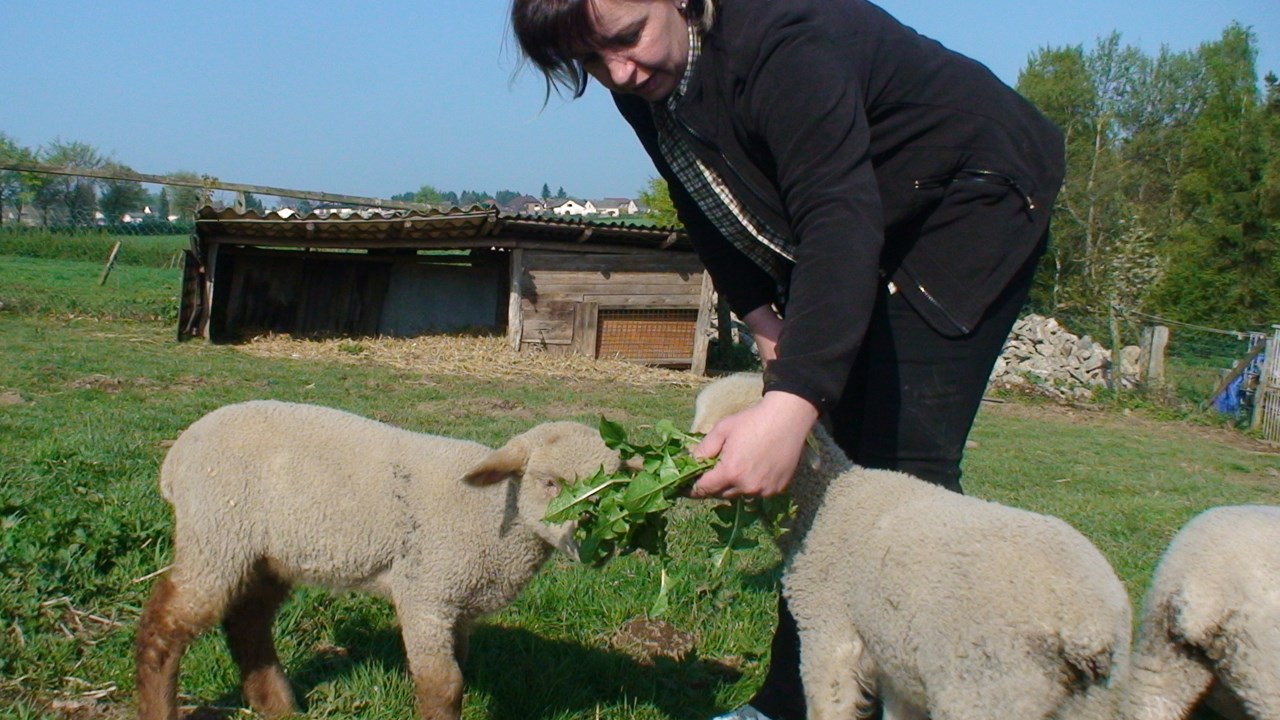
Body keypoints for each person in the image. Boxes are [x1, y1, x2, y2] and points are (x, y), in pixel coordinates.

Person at [510, 1, 1065, 718]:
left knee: (901, 464)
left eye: (625, 38)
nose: (618, 71)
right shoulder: (647, 79)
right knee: (836, 474)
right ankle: (794, 701)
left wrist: (792, 401)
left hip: (971, 191)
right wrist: (762, 316)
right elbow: (698, 195)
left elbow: (837, 211)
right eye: (590, 62)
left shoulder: (781, 42)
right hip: (869, 208)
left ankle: (925, 694)